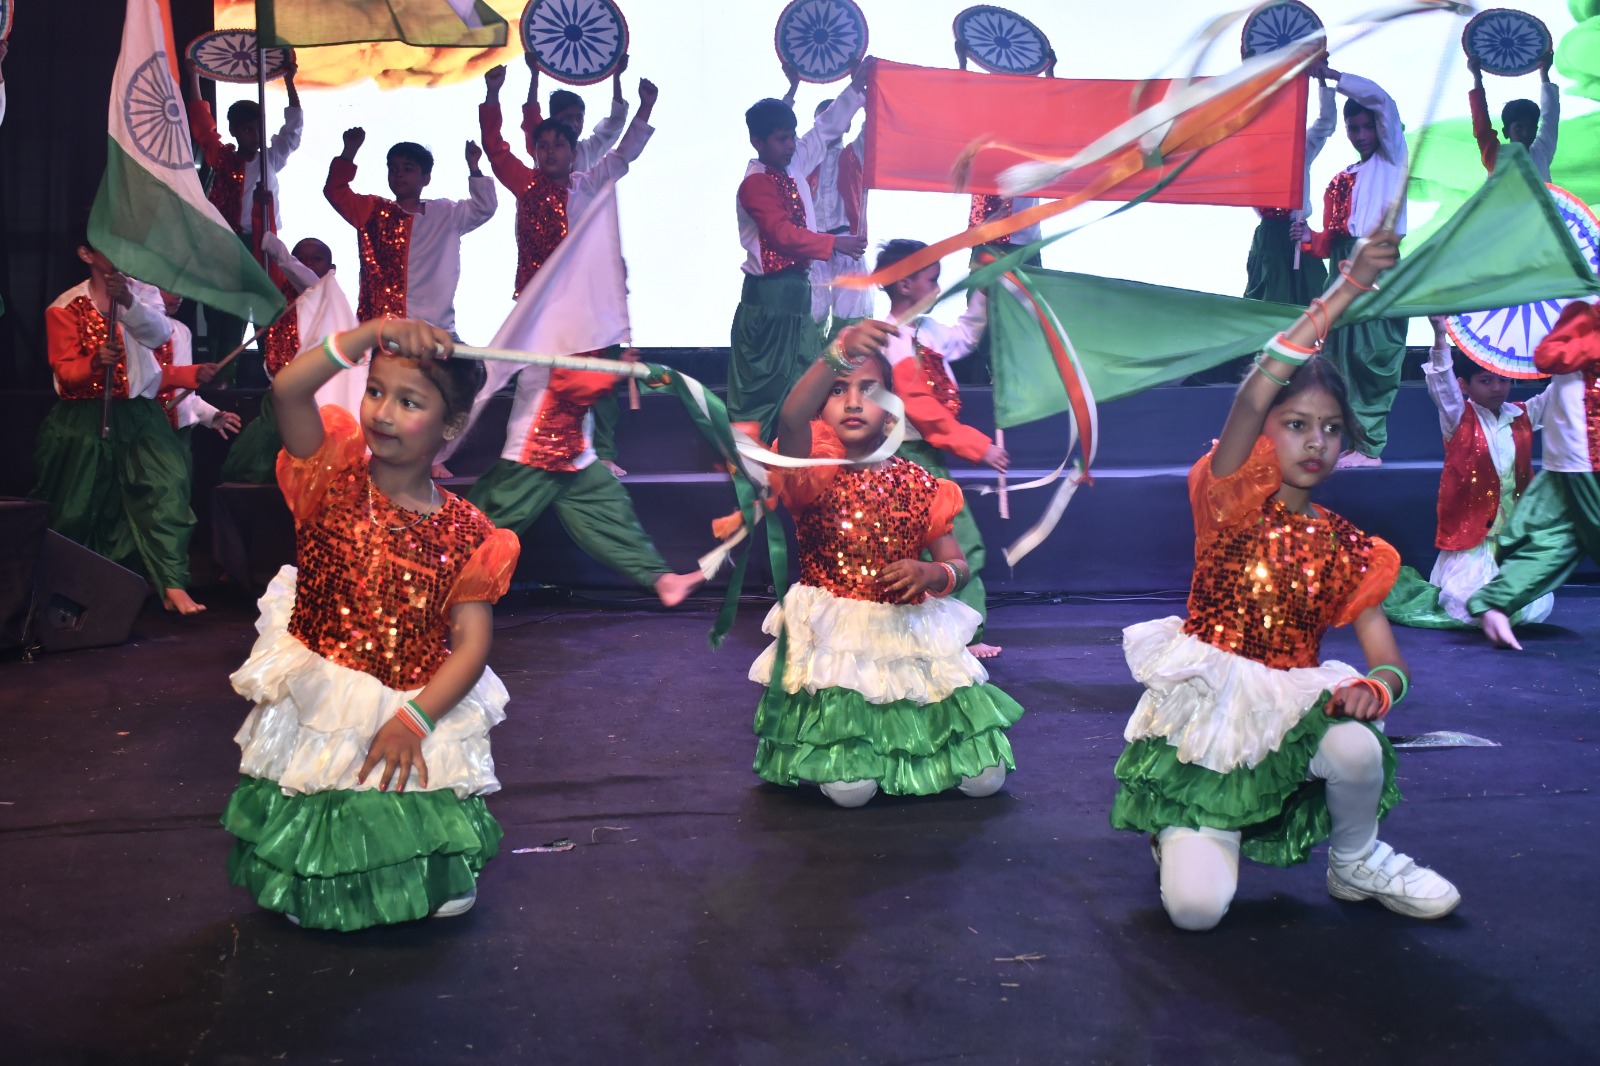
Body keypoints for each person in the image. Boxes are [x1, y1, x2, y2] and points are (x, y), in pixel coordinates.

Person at [1110, 230, 1460, 930]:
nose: (1315, 441)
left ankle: (1355, 859)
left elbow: (1389, 662)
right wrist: (1348, 288)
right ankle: (1181, 829)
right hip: (1210, 720)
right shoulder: (1227, 501)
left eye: (1330, 429)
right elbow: (1255, 391)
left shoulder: (1349, 547)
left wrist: (1375, 688)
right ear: (1264, 430)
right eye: (1297, 423)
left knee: (1357, 745)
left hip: (1289, 704)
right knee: (1196, 913)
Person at [223, 318, 519, 931]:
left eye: (409, 402)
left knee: (402, 798)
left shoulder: (469, 533)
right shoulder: (327, 472)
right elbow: (288, 389)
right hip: (325, 691)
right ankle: (318, 880)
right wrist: (371, 335)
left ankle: (419, 877)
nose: (382, 413)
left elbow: (472, 643)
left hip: (412, 696)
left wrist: (416, 719)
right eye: (375, 390)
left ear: (451, 425)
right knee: (326, 790)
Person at [750, 321, 1024, 808]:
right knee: (851, 791)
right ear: (821, 407)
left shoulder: (923, 484)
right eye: (838, 390)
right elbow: (790, 416)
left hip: (909, 632)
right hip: (839, 639)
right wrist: (836, 355)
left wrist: (933, 574)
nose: (854, 402)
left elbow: (957, 564)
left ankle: (915, 752)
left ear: (893, 410)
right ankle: (851, 754)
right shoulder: (811, 472)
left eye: (869, 389)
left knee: (985, 780)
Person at [478, 67, 659, 480]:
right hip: (537, 304)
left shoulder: (586, 185)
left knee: (580, 383)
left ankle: (581, 457)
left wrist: (645, 109)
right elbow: (496, 149)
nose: (550, 152)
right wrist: (492, 94)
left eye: (558, 145)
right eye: (542, 146)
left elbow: (622, 156)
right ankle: (519, 458)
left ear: (573, 152)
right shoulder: (526, 184)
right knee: (534, 381)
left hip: (578, 307)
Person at [31, 238, 218, 614]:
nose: (121, 254)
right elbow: (65, 372)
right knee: (78, 504)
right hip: (83, 416)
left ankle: (172, 583)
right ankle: (73, 589)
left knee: (166, 488)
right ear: (86, 254)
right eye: (108, 245)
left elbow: (159, 335)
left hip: (139, 413)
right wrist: (93, 363)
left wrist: (128, 302)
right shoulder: (65, 306)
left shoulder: (143, 294)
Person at [875, 238, 1005, 657]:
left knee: (940, 542)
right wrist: (977, 446)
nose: (937, 287)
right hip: (903, 459)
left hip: (926, 458)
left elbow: (964, 336)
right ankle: (961, 634)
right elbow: (919, 405)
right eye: (932, 279)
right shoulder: (891, 339)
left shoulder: (928, 330)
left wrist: (984, 288)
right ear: (905, 285)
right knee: (952, 540)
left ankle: (955, 632)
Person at [731, 61, 872, 440]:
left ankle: (793, 455)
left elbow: (825, 129)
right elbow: (781, 234)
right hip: (769, 298)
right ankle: (753, 458)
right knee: (767, 384)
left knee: (800, 377)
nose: (792, 145)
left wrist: (856, 89)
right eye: (782, 139)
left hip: (797, 289)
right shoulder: (756, 183)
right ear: (758, 142)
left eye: (792, 137)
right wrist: (834, 243)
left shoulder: (793, 165)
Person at [1384, 317, 1553, 628]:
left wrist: (1578, 352)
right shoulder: (1458, 416)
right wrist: (1439, 334)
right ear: (1465, 385)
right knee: (1465, 603)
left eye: (1503, 379)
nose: (1497, 388)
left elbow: (1557, 395)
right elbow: (1441, 382)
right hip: (1471, 535)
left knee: (1534, 607)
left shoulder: (1522, 415)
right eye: (1486, 381)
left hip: (1512, 533)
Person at [1292, 67, 1408, 468]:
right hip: (1342, 268)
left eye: (1367, 126)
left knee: (1368, 354)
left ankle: (1371, 446)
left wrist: (1331, 75)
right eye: (1353, 128)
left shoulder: (1392, 158)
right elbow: (1335, 237)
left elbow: (1383, 101)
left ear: (1381, 128)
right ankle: (1354, 442)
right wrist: (1309, 237)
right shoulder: (1345, 177)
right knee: (1339, 355)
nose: (1360, 135)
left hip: (1376, 265)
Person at [1473, 300, 1600, 650]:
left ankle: (1496, 602)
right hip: (1586, 452)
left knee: (1559, 538)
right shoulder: (1588, 312)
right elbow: (1549, 356)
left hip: (1576, 453)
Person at [185, 57, 304, 380]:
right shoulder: (224, 158)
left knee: (268, 314)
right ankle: (223, 382)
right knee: (227, 317)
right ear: (236, 131)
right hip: (229, 246)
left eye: (258, 128)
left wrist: (289, 81)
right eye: (248, 130)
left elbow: (292, 131)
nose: (255, 135)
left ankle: (275, 380)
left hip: (262, 245)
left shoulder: (271, 158)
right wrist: (194, 76)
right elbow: (203, 127)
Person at [323, 133, 497, 337]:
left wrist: (474, 167)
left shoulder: (446, 213)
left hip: (436, 330)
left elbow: (485, 206)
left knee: (474, 358)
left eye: (407, 169)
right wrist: (349, 150)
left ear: (425, 178)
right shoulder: (372, 210)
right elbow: (335, 191)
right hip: (383, 331)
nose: (399, 174)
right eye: (393, 169)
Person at [219, 234, 354, 484]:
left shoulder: (325, 292)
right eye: (300, 258)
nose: (308, 264)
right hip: (282, 387)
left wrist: (272, 245)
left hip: (314, 393)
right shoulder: (285, 298)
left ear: (331, 268)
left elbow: (303, 277)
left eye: (316, 259)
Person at [779, 62, 872, 334]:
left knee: (851, 313)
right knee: (811, 312)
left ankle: (846, 359)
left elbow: (874, 125)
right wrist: (792, 88)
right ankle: (810, 358)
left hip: (848, 241)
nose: (830, 124)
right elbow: (778, 130)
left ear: (846, 122)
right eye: (823, 119)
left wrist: (861, 87)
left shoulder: (857, 154)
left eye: (836, 117)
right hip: (812, 242)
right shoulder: (803, 159)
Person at [154, 290, 243, 449]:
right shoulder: (133, 330)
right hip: (147, 430)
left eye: (180, 289)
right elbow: (147, 380)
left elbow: (184, 397)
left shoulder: (182, 332)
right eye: (168, 289)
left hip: (180, 436)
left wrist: (210, 415)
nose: (177, 296)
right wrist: (193, 373)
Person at [521, 50, 630, 174]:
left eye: (579, 118)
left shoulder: (588, 150)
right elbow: (531, 114)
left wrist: (616, 76)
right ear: (554, 119)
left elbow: (616, 122)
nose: (574, 123)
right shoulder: (543, 144)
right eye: (567, 117)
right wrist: (534, 74)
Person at [1469, 52, 1558, 181]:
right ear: (1506, 132)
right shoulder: (1496, 158)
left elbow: (1551, 117)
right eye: (1518, 128)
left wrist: (1544, 73)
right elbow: (1482, 128)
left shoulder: (1541, 153)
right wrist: (1477, 77)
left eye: (1531, 128)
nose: (1526, 133)